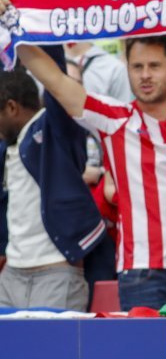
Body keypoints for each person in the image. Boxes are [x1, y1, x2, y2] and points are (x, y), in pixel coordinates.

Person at [8, 28, 166, 311]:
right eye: (137, 66)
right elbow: (55, 82)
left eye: (154, 66)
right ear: (126, 69)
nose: (145, 75)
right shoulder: (114, 118)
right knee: (144, 356)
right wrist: (18, 28)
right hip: (143, 274)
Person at [0, 67, 108, 312]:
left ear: (11, 107)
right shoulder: (8, 144)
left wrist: (45, 31)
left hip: (56, 274)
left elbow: (56, 79)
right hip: (11, 275)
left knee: (54, 352)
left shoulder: (52, 129)